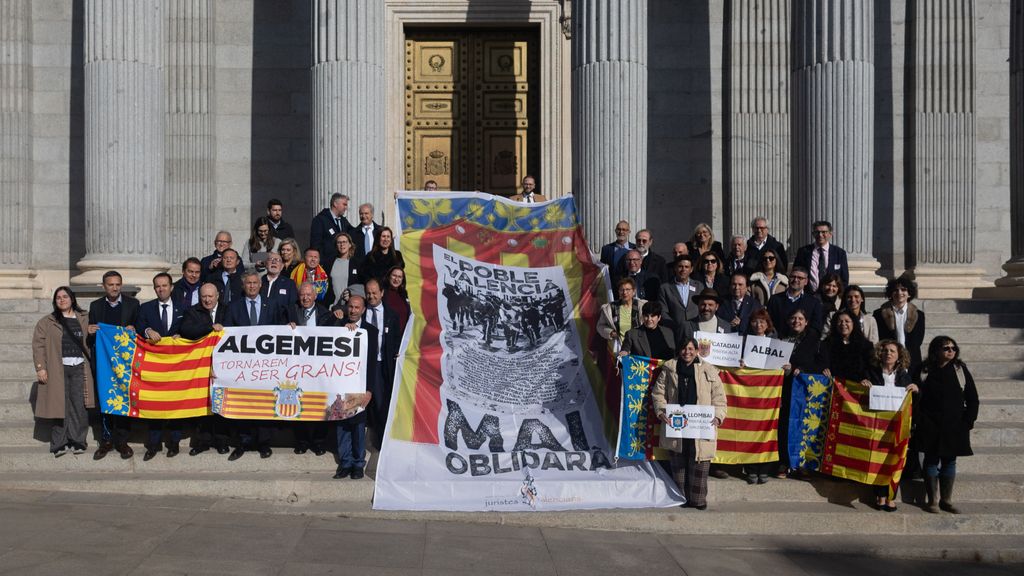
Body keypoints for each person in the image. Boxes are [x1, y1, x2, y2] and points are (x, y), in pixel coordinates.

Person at [223, 271, 295, 460]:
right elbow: (227, 335)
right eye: (248, 283)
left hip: (266, 366)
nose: (252, 286)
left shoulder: (272, 305)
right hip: (242, 367)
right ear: (243, 286)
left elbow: (280, 329)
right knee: (244, 403)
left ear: (260, 285)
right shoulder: (233, 307)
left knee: (264, 402)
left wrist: (291, 328)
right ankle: (243, 442)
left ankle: (264, 443)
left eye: (255, 283)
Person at [652, 338, 728, 510]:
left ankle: (698, 499)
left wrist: (718, 416)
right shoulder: (669, 369)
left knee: (699, 461)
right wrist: (662, 411)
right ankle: (680, 498)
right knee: (678, 463)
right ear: (679, 350)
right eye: (684, 348)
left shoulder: (709, 370)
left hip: (701, 425)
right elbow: (658, 393)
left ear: (697, 350)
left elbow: (719, 398)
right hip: (677, 424)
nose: (687, 352)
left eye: (691, 348)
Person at [915, 336, 979, 514]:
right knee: (931, 461)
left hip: (954, 425)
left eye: (953, 348)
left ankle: (946, 500)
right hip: (930, 424)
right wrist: (919, 420)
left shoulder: (960, 370)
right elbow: (915, 397)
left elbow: (972, 398)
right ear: (936, 351)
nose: (951, 351)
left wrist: (968, 421)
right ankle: (932, 500)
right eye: (946, 348)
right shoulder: (924, 370)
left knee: (950, 461)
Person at [32, 287, 95, 457]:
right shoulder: (47, 321)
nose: (62, 300)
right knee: (59, 406)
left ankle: (78, 440)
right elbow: (38, 345)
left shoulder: (85, 318)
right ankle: (59, 443)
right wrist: (40, 367)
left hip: (80, 367)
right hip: (57, 369)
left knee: (79, 406)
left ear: (72, 299)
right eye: (58, 297)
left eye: (65, 296)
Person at [87, 270, 139, 460]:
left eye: (118, 284)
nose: (115, 288)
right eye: (111, 284)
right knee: (105, 401)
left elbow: (139, 329)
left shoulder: (133, 304)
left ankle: (122, 441)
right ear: (104, 286)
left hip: (124, 363)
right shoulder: (95, 306)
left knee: (124, 400)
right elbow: (91, 334)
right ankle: (106, 440)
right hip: (103, 363)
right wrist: (90, 331)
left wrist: (134, 329)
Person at [863, 340, 919, 511]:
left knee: (895, 459)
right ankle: (880, 495)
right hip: (877, 424)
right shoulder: (870, 372)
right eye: (885, 350)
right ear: (880, 353)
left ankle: (891, 495)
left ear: (899, 356)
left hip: (896, 424)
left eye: (892, 351)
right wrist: (864, 385)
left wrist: (916, 390)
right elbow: (862, 397)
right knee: (878, 460)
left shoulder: (904, 375)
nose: (888, 353)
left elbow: (912, 400)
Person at [135, 273, 186, 460]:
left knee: (175, 406)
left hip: (176, 367)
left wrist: (182, 335)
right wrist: (148, 330)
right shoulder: (146, 308)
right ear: (154, 288)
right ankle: (153, 445)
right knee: (154, 406)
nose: (161, 289)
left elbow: (189, 327)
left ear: (171, 287)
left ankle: (174, 443)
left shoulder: (183, 307)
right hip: (154, 367)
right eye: (158, 286)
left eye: (165, 285)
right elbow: (139, 324)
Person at [179, 283, 230, 455]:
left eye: (210, 296)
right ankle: (202, 442)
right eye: (204, 297)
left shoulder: (228, 310)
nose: (207, 300)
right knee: (202, 406)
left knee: (221, 403)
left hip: (224, 367)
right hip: (200, 367)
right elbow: (186, 330)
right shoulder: (193, 311)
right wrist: (210, 328)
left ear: (218, 296)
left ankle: (222, 441)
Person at [779, 309, 829, 478]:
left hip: (803, 391)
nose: (796, 321)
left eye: (800, 318)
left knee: (802, 427)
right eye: (793, 318)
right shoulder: (780, 340)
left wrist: (802, 369)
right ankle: (783, 462)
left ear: (807, 322)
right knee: (784, 425)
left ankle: (802, 464)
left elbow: (821, 364)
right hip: (784, 389)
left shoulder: (815, 341)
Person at [334, 294, 378, 480]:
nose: (353, 310)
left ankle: (358, 464)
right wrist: (342, 330)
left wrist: (369, 390)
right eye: (350, 307)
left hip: (359, 386)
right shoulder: (337, 327)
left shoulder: (371, 331)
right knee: (342, 425)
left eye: (357, 307)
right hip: (339, 386)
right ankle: (345, 463)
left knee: (358, 427)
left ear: (363, 310)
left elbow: (372, 363)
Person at [292, 282, 335, 456]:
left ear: (315, 296)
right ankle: (301, 441)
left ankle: (318, 441)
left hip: (319, 369)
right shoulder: (291, 311)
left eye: (309, 294)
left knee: (320, 404)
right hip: (297, 367)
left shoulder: (326, 314)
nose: (306, 298)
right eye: (303, 294)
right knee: (298, 403)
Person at [741, 309, 778, 484]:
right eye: (755, 321)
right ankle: (751, 469)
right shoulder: (743, 342)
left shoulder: (775, 343)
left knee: (766, 430)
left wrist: (785, 368)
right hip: (750, 394)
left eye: (762, 322)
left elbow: (780, 369)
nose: (759, 325)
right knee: (750, 431)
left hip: (768, 395)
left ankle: (764, 469)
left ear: (767, 324)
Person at [364, 278, 402, 446]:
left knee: (381, 404)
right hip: (361, 366)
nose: (371, 296)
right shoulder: (360, 311)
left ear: (382, 293)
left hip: (381, 365)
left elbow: (397, 339)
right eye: (368, 293)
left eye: (374, 293)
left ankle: (381, 442)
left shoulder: (392, 315)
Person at [874, 275, 926, 374]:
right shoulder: (879, 314)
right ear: (891, 293)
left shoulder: (919, 315)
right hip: (887, 361)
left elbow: (917, 341)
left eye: (903, 290)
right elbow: (880, 339)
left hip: (912, 361)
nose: (899, 293)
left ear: (909, 294)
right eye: (896, 290)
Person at [793, 220, 850, 292]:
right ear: (813, 234)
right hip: (808, 296)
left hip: (831, 297)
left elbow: (844, 279)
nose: (820, 235)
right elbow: (796, 273)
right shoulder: (803, 252)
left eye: (824, 232)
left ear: (830, 234)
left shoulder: (839, 253)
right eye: (817, 232)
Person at [767, 267, 823, 337]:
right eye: (793, 277)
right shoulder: (775, 299)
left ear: (806, 281)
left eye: (800, 278)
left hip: (802, 344)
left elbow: (816, 327)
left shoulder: (814, 302)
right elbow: (768, 323)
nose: (795, 280)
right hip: (778, 343)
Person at [659, 255, 703, 344]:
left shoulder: (699, 286)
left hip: (696, 331)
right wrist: (675, 326)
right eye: (680, 266)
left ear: (691, 269)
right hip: (674, 331)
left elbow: (702, 307)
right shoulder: (665, 288)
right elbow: (663, 311)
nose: (683, 270)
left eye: (686, 267)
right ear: (675, 268)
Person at [597, 278, 646, 355]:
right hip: (620, 349)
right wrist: (610, 332)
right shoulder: (610, 308)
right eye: (621, 290)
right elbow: (600, 326)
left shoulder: (643, 306)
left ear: (634, 291)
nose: (624, 292)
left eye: (627, 289)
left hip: (640, 348)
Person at [823, 311, 873, 384]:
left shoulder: (866, 345)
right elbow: (823, 363)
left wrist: (866, 378)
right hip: (834, 386)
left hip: (857, 387)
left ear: (853, 323)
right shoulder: (827, 344)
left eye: (847, 321)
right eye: (840, 321)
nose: (843, 324)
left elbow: (869, 367)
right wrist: (825, 369)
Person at [310, 192, 353, 260]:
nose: (346, 208)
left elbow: (354, 232)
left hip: (340, 261)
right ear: (335, 204)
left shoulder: (343, 221)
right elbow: (316, 244)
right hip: (326, 264)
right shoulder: (320, 220)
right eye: (344, 204)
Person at [328, 232, 360, 309]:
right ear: (336, 245)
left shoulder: (356, 263)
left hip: (350, 307)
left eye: (344, 242)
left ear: (350, 245)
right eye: (339, 242)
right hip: (333, 307)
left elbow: (360, 285)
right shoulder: (329, 263)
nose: (342, 245)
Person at [382, 265, 411, 335]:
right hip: (388, 335)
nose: (396, 279)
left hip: (402, 336)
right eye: (394, 276)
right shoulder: (382, 293)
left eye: (399, 277)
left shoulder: (404, 294)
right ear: (389, 276)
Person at [816, 273, 845, 339]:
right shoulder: (814, 301)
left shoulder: (841, 302)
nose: (831, 288)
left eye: (834, 286)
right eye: (828, 285)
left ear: (838, 288)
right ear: (822, 285)